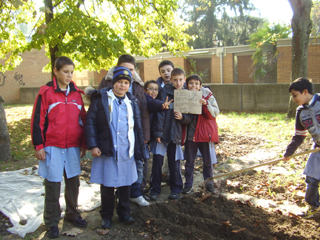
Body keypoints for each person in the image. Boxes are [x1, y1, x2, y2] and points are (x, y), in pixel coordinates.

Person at [30, 56, 87, 238]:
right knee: (53, 184)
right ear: (56, 71)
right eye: (65, 72)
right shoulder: (46, 94)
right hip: (52, 146)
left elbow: (83, 120)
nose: (69, 75)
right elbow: (36, 121)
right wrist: (39, 145)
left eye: (71, 72)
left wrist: (83, 144)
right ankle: (52, 221)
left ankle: (72, 213)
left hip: (72, 146)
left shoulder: (77, 94)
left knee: (73, 183)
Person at [85, 66, 147, 229]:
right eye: (119, 82)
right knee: (107, 185)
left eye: (126, 82)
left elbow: (137, 127)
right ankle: (106, 215)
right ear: (114, 82)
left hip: (127, 150)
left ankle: (124, 212)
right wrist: (93, 145)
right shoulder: (101, 99)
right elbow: (90, 122)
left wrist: (139, 148)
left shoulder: (132, 101)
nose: (122, 85)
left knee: (125, 184)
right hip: (107, 150)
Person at [98, 54, 149, 207]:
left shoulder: (139, 86)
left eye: (131, 70)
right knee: (112, 167)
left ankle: (134, 193)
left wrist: (145, 136)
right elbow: (98, 111)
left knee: (136, 165)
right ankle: (111, 201)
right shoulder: (106, 83)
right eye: (124, 69)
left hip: (133, 135)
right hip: (112, 135)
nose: (128, 72)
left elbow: (144, 111)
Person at [150, 68, 193, 200]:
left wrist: (182, 117)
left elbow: (190, 117)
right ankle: (154, 189)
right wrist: (157, 132)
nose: (178, 82)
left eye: (180, 79)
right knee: (157, 161)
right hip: (162, 134)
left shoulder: (187, 94)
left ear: (184, 79)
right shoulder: (164, 91)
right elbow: (159, 113)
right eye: (175, 80)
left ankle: (176, 188)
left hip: (176, 134)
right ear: (171, 80)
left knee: (174, 162)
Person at [284, 77, 320, 218]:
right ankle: (314, 207)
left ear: (305, 91)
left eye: (295, 95)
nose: (293, 99)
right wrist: (289, 152)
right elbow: (299, 136)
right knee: (311, 178)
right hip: (317, 148)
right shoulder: (301, 112)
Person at [182, 74, 219, 194]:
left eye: (196, 83)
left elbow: (213, 114)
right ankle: (188, 184)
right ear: (187, 85)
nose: (194, 85)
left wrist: (205, 104)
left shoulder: (207, 95)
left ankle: (209, 184)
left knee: (207, 161)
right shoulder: (183, 95)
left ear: (200, 85)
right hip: (190, 136)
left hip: (203, 135)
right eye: (191, 83)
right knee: (189, 161)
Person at [156, 60, 175, 182]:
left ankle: (170, 176)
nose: (166, 73)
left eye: (169, 70)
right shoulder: (156, 88)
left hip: (174, 125)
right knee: (158, 155)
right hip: (160, 125)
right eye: (163, 71)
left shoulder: (179, 86)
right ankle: (158, 178)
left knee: (173, 156)